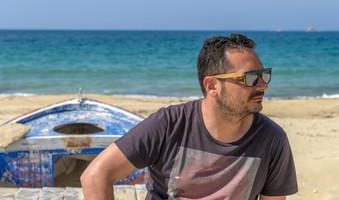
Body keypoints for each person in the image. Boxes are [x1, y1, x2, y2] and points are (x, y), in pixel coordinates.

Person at [81, 33, 298, 200]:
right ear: (212, 85)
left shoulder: (272, 139)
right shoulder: (168, 125)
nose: (263, 86)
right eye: (251, 78)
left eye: (264, 75)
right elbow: (95, 176)